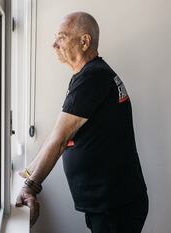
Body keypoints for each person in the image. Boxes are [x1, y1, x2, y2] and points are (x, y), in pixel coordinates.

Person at [15, 12, 148, 233]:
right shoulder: (90, 75)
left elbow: (59, 140)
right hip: (111, 203)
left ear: (84, 41)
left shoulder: (92, 78)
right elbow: (59, 131)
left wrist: (31, 187)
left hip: (114, 205)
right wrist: (28, 173)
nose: (53, 44)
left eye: (61, 37)